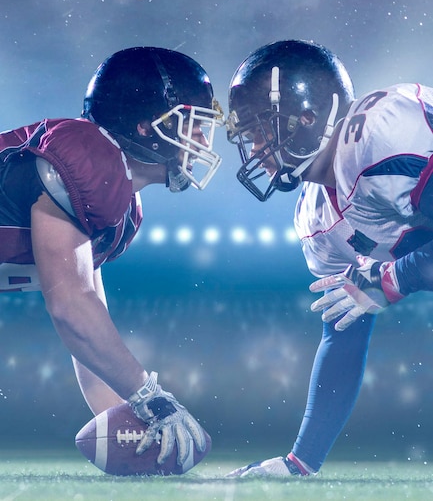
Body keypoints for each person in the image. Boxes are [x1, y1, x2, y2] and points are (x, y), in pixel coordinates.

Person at [0, 46, 224, 467]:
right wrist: (152, 399)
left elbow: (89, 338)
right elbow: (69, 307)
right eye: (190, 125)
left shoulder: (119, 210)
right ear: (144, 127)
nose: (202, 140)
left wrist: (130, 424)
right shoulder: (88, 157)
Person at [225, 39, 433, 477]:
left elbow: (389, 281)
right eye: (247, 135)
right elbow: (343, 333)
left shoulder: (382, 135)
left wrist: (390, 279)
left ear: (308, 117)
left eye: (263, 129)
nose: (255, 147)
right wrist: (301, 461)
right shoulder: (315, 216)